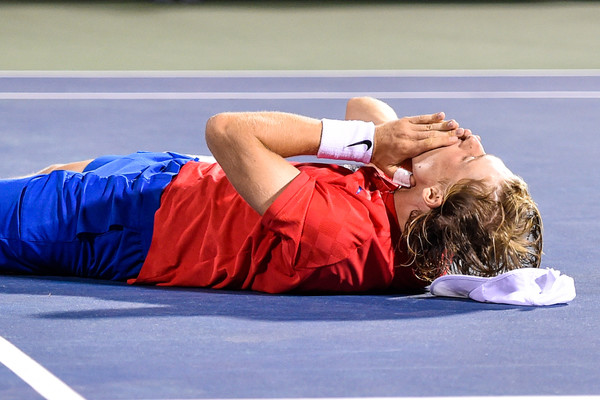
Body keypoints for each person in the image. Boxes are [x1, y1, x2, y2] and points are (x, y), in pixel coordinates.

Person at [0, 97, 542, 293]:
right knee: (46, 174)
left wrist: (375, 143)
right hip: (187, 181)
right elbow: (364, 104)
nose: (469, 137)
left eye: (471, 156)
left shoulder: (335, 233)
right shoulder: (423, 233)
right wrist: (388, 146)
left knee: (23, 202)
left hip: (128, 222)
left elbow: (228, 129)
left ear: (435, 195)